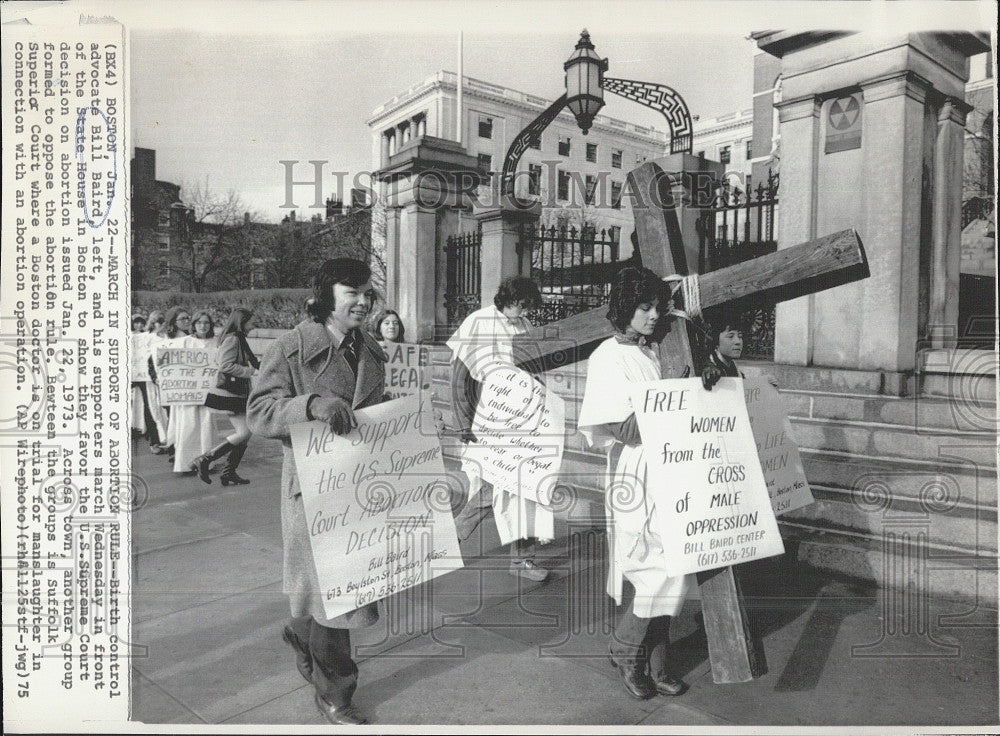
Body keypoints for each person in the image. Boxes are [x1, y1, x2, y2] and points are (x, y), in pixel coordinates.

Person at [247, 258, 385, 726]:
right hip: (311, 491)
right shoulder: (291, 347)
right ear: (328, 295)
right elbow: (261, 411)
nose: (363, 301)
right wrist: (311, 405)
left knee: (337, 593)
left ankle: (299, 633)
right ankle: (336, 694)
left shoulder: (370, 348)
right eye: (353, 292)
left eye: (368, 292)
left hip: (359, 487)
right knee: (336, 598)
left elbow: (372, 409)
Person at [576, 265, 722, 701]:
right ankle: (626, 652)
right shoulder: (608, 357)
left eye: (658, 306)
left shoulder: (659, 350)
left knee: (676, 565)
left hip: (674, 468)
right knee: (651, 568)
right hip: (639, 474)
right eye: (644, 308)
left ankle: (657, 664)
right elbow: (627, 430)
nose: (654, 315)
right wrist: (678, 394)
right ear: (623, 309)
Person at [447, 276, 552, 581]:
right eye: (523, 304)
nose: (526, 310)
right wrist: (464, 421)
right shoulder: (478, 321)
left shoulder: (524, 326)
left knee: (523, 485)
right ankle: (461, 535)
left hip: (522, 419)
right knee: (500, 483)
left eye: (529, 306)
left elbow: (534, 370)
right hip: (489, 417)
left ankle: (519, 558)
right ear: (509, 298)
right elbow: (460, 376)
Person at [197, 307, 259, 486]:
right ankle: (206, 459)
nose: (254, 325)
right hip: (230, 394)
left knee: (245, 434)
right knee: (245, 432)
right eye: (251, 322)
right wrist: (252, 371)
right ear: (242, 322)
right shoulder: (233, 339)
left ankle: (229, 472)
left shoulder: (238, 338)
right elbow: (225, 365)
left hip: (236, 393)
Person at [169, 311, 219, 476]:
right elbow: (170, 363)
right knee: (188, 426)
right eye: (199, 323)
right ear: (194, 325)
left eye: (206, 323)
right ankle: (185, 463)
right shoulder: (184, 342)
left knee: (206, 426)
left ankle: (206, 462)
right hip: (188, 392)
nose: (203, 326)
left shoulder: (215, 343)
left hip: (208, 392)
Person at [156, 307, 193, 464]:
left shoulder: (191, 339)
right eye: (182, 319)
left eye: (188, 318)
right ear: (174, 322)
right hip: (172, 386)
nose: (186, 321)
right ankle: (174, 450)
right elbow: (157, 362)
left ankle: (184, 451)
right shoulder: (166, 341)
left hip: (189, 386)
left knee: (186, 420)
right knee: (173, 419)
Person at [142, 310, 170, 452]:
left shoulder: (167, 337)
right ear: (153, 323)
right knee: (152, 408)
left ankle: (168, 439)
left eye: (164, 321)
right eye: (159, 322)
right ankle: (155, 441)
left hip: (166, 377)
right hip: (150, 378)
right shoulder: (147, 338)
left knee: (166, 409)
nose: (162, 324)